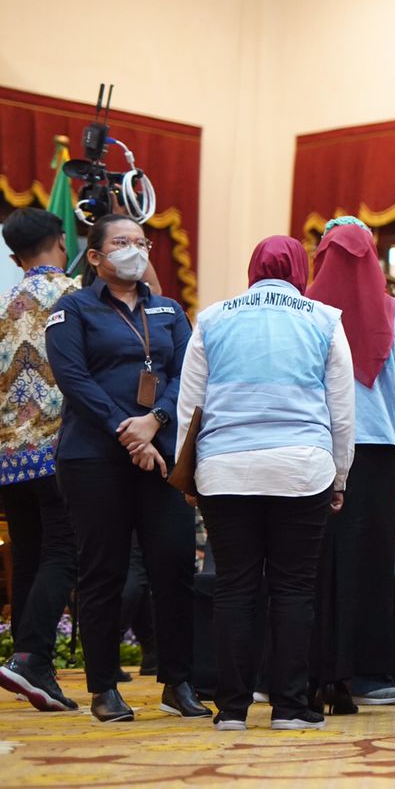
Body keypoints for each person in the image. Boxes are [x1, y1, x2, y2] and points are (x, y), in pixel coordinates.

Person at [175, 236, 356, 731]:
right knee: (293, 588)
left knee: (234, 587)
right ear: (300, 270)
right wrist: (340, 475)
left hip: (224, 468)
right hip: (302, 467)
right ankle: (290, 707)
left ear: (252, 269)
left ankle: (231, 710)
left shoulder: (213, 318)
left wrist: (188, 473)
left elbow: (190, 404)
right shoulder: (324, 319)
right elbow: (342, 410)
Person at [43, 214, 210, 722]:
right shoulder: (71, 310)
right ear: (95, 256)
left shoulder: (169, 311)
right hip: (93, 458)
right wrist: (127, 430)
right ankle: (103, 688)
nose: (134, 250)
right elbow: (74, 380)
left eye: (141, 242)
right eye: (122, 242)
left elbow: (189, 374)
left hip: (160, 455)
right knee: (104, 571)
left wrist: (155, 420)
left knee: (175, 566)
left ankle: (178, 681)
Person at [305, 220, 395, 713]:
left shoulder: (305, 311)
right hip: (376, 448)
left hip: (315, 444)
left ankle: (296, 671)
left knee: (306, 561)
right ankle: (369, 675)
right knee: (370, 561)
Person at [0, 209, 81, 712]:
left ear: (14, 258)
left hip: (9, 458)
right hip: (61, 452)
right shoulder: (79, 296)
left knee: (29, 555)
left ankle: (30, 665)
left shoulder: (3, 303)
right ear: (62, 241)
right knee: (63, 553)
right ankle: (33, 658)